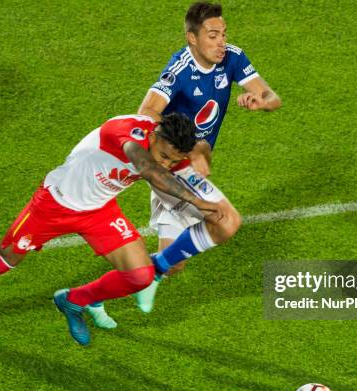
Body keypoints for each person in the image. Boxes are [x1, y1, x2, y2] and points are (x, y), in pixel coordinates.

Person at [0, 112, 228, 347]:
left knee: (141, 276)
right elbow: (150, 170)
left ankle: (73, 301)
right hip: (54, 204)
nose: (167, 163)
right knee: (3, 260)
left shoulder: (169, 153)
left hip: (99, 211)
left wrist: (208, 198)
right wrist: (195, 202)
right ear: (153, 134)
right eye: (164, 155)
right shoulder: (125, 131)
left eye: (173, 160)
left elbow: (180, 168)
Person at [87, 1, 281, 328]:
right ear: (192, 38)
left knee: (173, 263)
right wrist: (187, 149)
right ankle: (97, 293)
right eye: (212, 35)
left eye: (223, 34)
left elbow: (272, 97)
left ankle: (96, 295)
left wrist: (258, 101)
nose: (221, 42)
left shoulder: (232, 57)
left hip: (185, 164)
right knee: (226, 221)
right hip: (174, 166)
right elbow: (147, 110)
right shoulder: (179, 69)